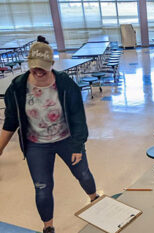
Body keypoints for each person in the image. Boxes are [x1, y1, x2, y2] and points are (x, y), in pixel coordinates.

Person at [0, 36, 98, 233]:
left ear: (52, 64)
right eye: (34, 67)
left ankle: (95, 199)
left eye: (43, 67)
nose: (38, 71)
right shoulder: (17, 87)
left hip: (67, 140)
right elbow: (11, 121)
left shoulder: (65, 84)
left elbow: (78, 118)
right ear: (28, 63)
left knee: (83, 174)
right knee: (42, 188)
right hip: (36, 144)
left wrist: (78, 145)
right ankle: (48, 227)